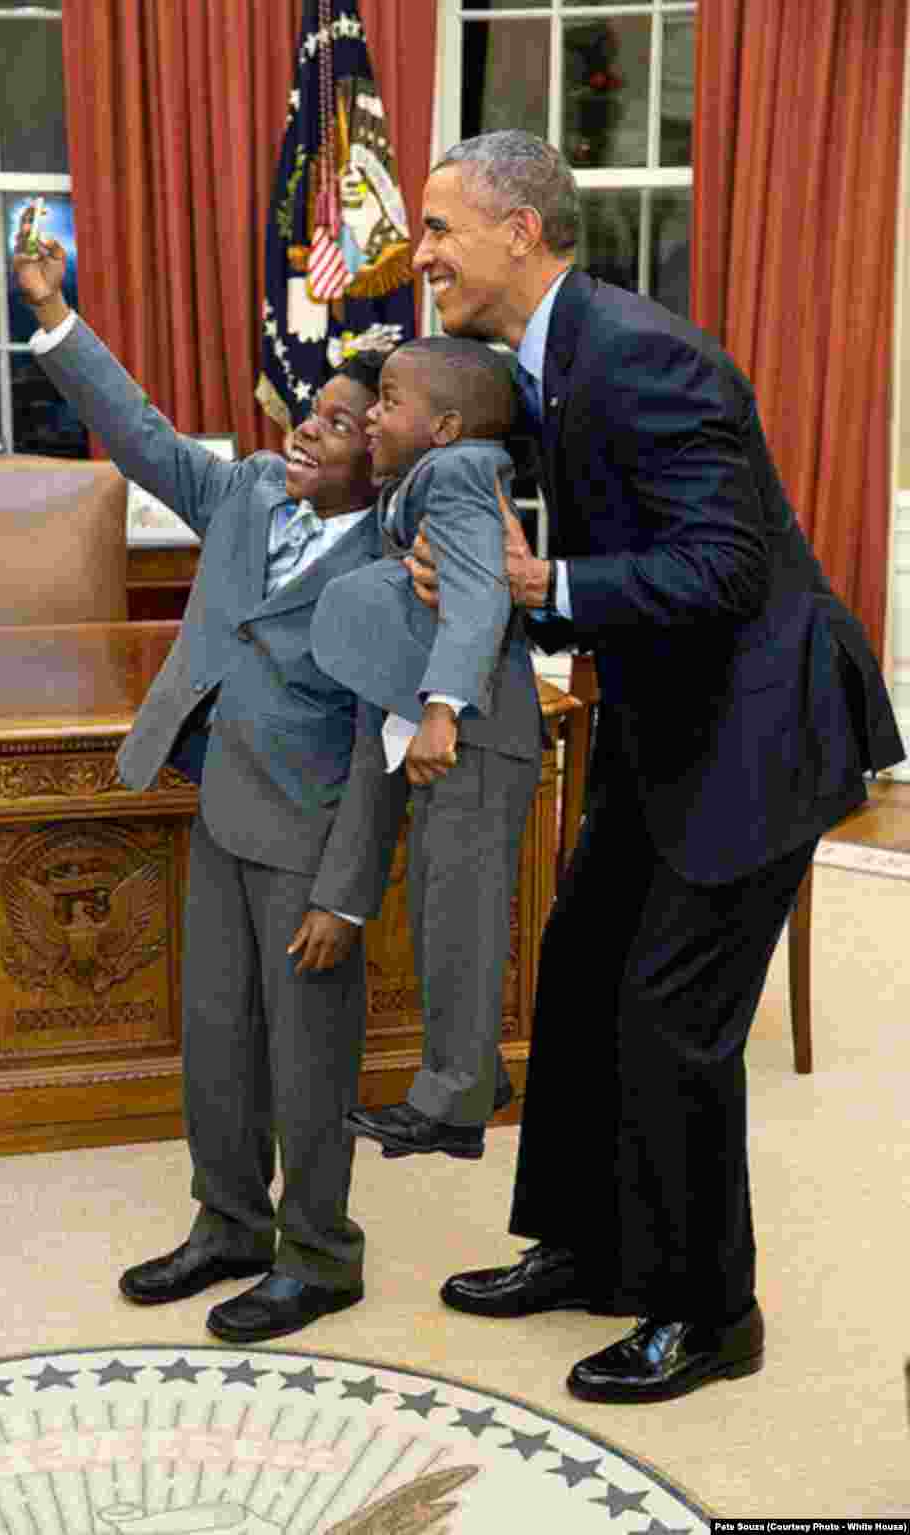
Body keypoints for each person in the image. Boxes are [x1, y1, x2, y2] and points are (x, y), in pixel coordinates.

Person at [404, 129, 904, 1403]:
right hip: (660, 712)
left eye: (439, 227)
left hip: (759, 721)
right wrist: (502, 591)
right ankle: (587, 1246)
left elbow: (723, 569)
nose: (422, 253)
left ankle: (706, 1308)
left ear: (520, 231)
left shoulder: (645, 357)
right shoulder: (542, 359)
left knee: (670, 1021)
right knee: (578, 974)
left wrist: (539, 583)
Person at [13, 235, 408, 1345]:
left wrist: (347, 891)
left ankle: (319, 1253)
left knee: (306, 1056)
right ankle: (229, 1221)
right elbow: (138, 433)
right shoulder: (240, 493)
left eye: (336, 424)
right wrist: (55, 311)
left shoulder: (392, 566)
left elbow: (386, 747)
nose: (307, 428)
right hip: (224, 808)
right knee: (217, 1036)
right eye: (311, 409)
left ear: (381, 460)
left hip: (313, 843)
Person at [310, 336, 543, 1159]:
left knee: (459, 925)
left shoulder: (455, 477)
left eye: (390, 402)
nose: (372, 413)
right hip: (461, 741)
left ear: (444, 427)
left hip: (474, 734)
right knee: (445, 916)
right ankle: (476, 1073)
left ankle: (450, 1102)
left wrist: (441, 710)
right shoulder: (429, 479)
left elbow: (478, 595)